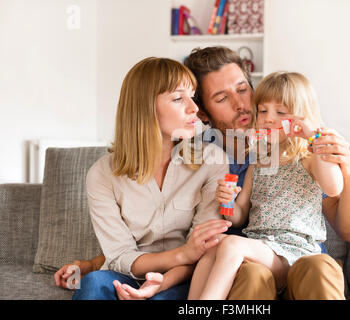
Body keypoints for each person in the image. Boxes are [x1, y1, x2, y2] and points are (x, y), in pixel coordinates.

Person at [55, 46, 350, 300]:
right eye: (222, 98)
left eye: (243, 90)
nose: (243, 104)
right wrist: (93, 263)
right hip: (235, 267)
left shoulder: (293, 150)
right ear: (202, 112)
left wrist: (347, 169)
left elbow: (348, 228)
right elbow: (157, 238)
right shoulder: (209, 152)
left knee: (307, 269)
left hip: (291, 256)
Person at [63, 57, 232, 300]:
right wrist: (184, 253)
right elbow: (119, 256)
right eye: (177, 98)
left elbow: (205, 250)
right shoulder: (102, 174)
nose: (194, 108)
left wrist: (163, 281)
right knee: (93, 284)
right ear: (144, 108)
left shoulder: (212, 161)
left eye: (192, 96)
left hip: (181, 277)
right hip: (128, 273)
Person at [188, 71, 344, 299]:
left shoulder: (309, 158)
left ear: (302, 118)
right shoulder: (259, 161)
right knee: (214, 245)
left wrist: (311, 136)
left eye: (280, 112)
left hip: (296, 254)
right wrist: (228, 203)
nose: (268, 118)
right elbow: (240, 216)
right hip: (263, 251)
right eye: (262, 111)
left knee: (231, 245)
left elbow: (334, 188)